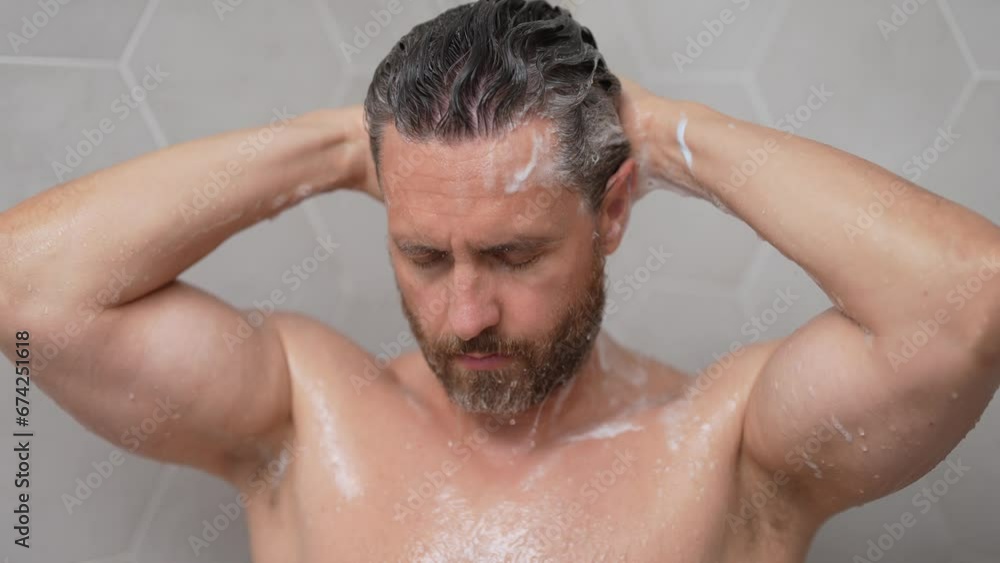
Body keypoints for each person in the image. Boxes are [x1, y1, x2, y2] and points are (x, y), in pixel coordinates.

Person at [2, 0, 998, 561]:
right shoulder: (301, 416)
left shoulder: (729, 446)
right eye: (423, 255)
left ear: (609, 210)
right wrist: (340, 144)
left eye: (514, 254)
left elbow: (966, 303)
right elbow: (27, 291)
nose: (464, 313)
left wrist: (658, 133)